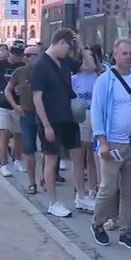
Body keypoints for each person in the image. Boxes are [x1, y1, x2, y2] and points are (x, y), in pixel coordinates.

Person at [90, 38, 131, 249]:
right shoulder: (105, 80)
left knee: (129, 189)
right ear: (115, 55)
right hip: (112, 142)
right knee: (108, 187)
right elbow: (97, 111)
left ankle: (125, 230)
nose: (128, 57)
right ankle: (97, 223)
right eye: (124, 54)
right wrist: (102, 142)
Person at [31, 29, 83, 218]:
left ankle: (82, 196)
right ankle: (53, 202)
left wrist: (81, 44)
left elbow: (89, 65)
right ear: (60, 42)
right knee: (51, 159)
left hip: (68, 117)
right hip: (51, 120)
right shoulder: (41, 65)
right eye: (68, 47)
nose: (69, 52)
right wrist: (46, 125)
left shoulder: (65, 61)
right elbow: (37, 98)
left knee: (77, 155)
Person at [6, 45, 42, 195]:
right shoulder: (20, 72)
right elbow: (8, 89)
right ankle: (32, 182)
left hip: (44, 115)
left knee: (48, 151)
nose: (25, 58)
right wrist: (15, 106)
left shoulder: (45, 71)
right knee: (29, 149)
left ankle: (46, 179)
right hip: (27, 114)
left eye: (29, 55)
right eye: (24, 55)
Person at [0, 41, 27, 178]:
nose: (18, 57)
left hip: (19, 104)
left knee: (18, 135)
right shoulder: (0, 64)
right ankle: (3, 164)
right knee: (4, 134)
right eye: (16, 54)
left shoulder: (23, 66)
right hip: (3, 104)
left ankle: (17, 160)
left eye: (20, 55)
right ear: (11, 53)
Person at [71, 46, 102, 212]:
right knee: (80, 155)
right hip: (81, 116)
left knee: (93, 156)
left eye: (92, 58)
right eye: (85, 58)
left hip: (96, 118)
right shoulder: (74, 78)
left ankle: (93, 189)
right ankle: (80, 193)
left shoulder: (99, 77)